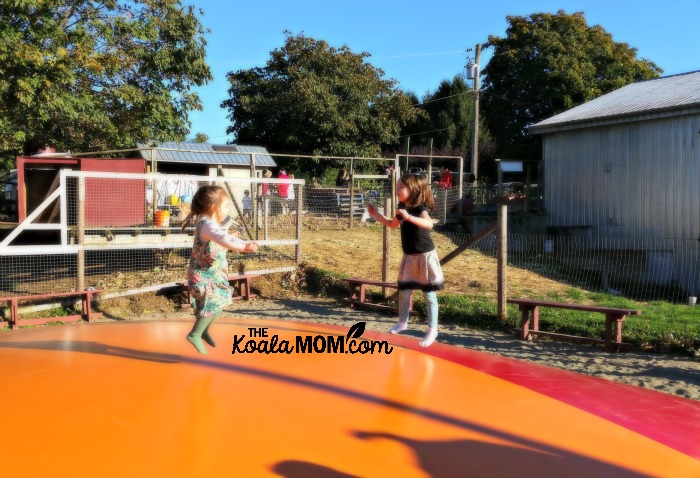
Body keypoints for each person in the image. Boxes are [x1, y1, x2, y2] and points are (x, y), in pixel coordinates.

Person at [367, 174, 444, 347]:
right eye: (397, 186)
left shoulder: (418, 208)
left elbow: (429, 224)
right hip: (409, 256)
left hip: (425, 256)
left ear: (413, 189)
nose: (397, 190)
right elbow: (392, 224)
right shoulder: (402, 206)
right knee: (404, 291)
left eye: (401, 186)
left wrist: (408, 217)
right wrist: (375, 213)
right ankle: (403, 322)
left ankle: (432, 330)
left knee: (429, 294)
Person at [180, 185, 259, 354]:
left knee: (221, 299)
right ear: (213, 208)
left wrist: (237, 240)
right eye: (225, 206)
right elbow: (223, 238)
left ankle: (204, 330)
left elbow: (224, 237)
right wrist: (245, 247)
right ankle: (195, 334)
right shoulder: (207, 225)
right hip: (203, 276)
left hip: (212, 274)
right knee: (212, 303)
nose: (227, 210)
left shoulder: (210, 224)